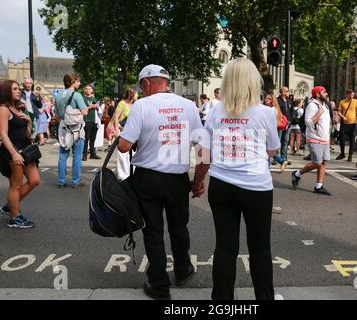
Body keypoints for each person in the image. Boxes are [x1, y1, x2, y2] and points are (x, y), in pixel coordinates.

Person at [192, 59, 281, 300]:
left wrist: (197, 181)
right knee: (260, 248)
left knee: (225, 247)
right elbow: (273, 149)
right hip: (256, 186)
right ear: (254, 82)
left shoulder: (215, 111)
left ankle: (222, 302)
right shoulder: (265, 113)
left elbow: (204, 153)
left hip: (221, 185)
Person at [118, 64, 202, 300]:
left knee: (152, 232)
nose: (141, 91)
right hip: (177, 179)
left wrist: (124, 136)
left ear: (146, 83)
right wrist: (198, 180)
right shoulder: (188, 105)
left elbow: (124, 146)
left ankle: (159, 284)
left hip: (148, 179)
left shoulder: (142, 105)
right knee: (179, 226)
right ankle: (183, 270)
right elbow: (203, 147)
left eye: (141, 86)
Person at [0, 80, 40, 228]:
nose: (18, 91)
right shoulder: (3, 109)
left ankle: (10, 205)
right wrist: (14, 153)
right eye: (14, 89)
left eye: (18, 88)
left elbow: (27, 134)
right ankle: (15, 218)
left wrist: (28, 122)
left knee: (34, 180)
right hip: (13, 150)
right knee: (16, 185)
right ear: (6, 91)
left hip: (26, 150)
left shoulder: (18, 108)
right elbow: (3, 134)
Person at [292, 86, 332, 196]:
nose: (326, 93)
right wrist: (319, 113)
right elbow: (308, 123)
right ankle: (297, 174)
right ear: (318, 94)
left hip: (325, 138)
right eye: (324, 92)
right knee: (317, 162)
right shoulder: (312, 105)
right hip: (314, 138)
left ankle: (318, 186)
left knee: (323, 162)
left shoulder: (325, 106)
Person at [55, 73, 89, 189]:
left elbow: (57, 115)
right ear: (73, 81)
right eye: (78, 81)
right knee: (77, 156)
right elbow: (84, 112)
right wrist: (90, 107)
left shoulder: (58, 95)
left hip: (63, 127)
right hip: (76, 129)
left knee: (63, 155)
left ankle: (61, 181)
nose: (80, 83)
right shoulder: (76, 95)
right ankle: (76, 181)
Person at [112, 88, 136, 181]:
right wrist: (117, 129)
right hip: (123, 130)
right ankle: (122, 175)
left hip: (132, 131)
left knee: (133, 153)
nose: (137, 96)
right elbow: (116, 116)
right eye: (136, 94)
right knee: (122, 153)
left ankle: (132, 172)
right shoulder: (122, 103)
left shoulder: (135, 105)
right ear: (132, 95)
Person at [264, 93, 288, 172]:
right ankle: (282, 161)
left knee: (267, 150)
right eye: (266, 98)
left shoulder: (272, 109)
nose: (266, 100)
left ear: (272, 101)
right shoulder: (272, 109)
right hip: (270, 131)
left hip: (270, 131)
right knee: (268, 150)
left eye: (269, 99)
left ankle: (267, 168)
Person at [337, 89, 357, 162]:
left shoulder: (355, 101)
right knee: (342, 139)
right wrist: (343, 117)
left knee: (352, 140)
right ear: (347, 95)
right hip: (344, 124)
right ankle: (342, 153)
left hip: (353, 123)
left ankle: (350, 156)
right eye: (351, 94)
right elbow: (339, 112)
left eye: (353, 95)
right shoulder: (342, 102)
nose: (352, 96)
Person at [82, 84, 101, 161]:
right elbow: (83, 108)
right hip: (87, 120)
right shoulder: (82, 98)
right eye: (86, 89)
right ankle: (85, 154)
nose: (87, 90)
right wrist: (92, 106)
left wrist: (93, 106)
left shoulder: (95, 98)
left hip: (95, 121)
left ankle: (92, 154)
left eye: (89, 89)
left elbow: (98, 107)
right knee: (86, 138)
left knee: (93, 138)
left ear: (92, 90)